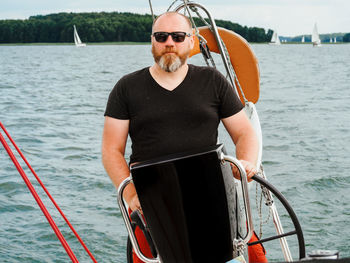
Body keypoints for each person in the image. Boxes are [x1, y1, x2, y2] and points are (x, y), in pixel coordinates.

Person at [102, 11, 265, 263]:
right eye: (162, 36)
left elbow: (245, 133)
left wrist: (244, 164)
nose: (170, 42)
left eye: (178, 36)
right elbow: (111, 150)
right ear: (152, 41)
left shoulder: (213, 81)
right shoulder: (126, 88)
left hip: (215, 199)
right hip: (154, 204)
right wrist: (131, 195)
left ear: (191, 42)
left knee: (253, 255)